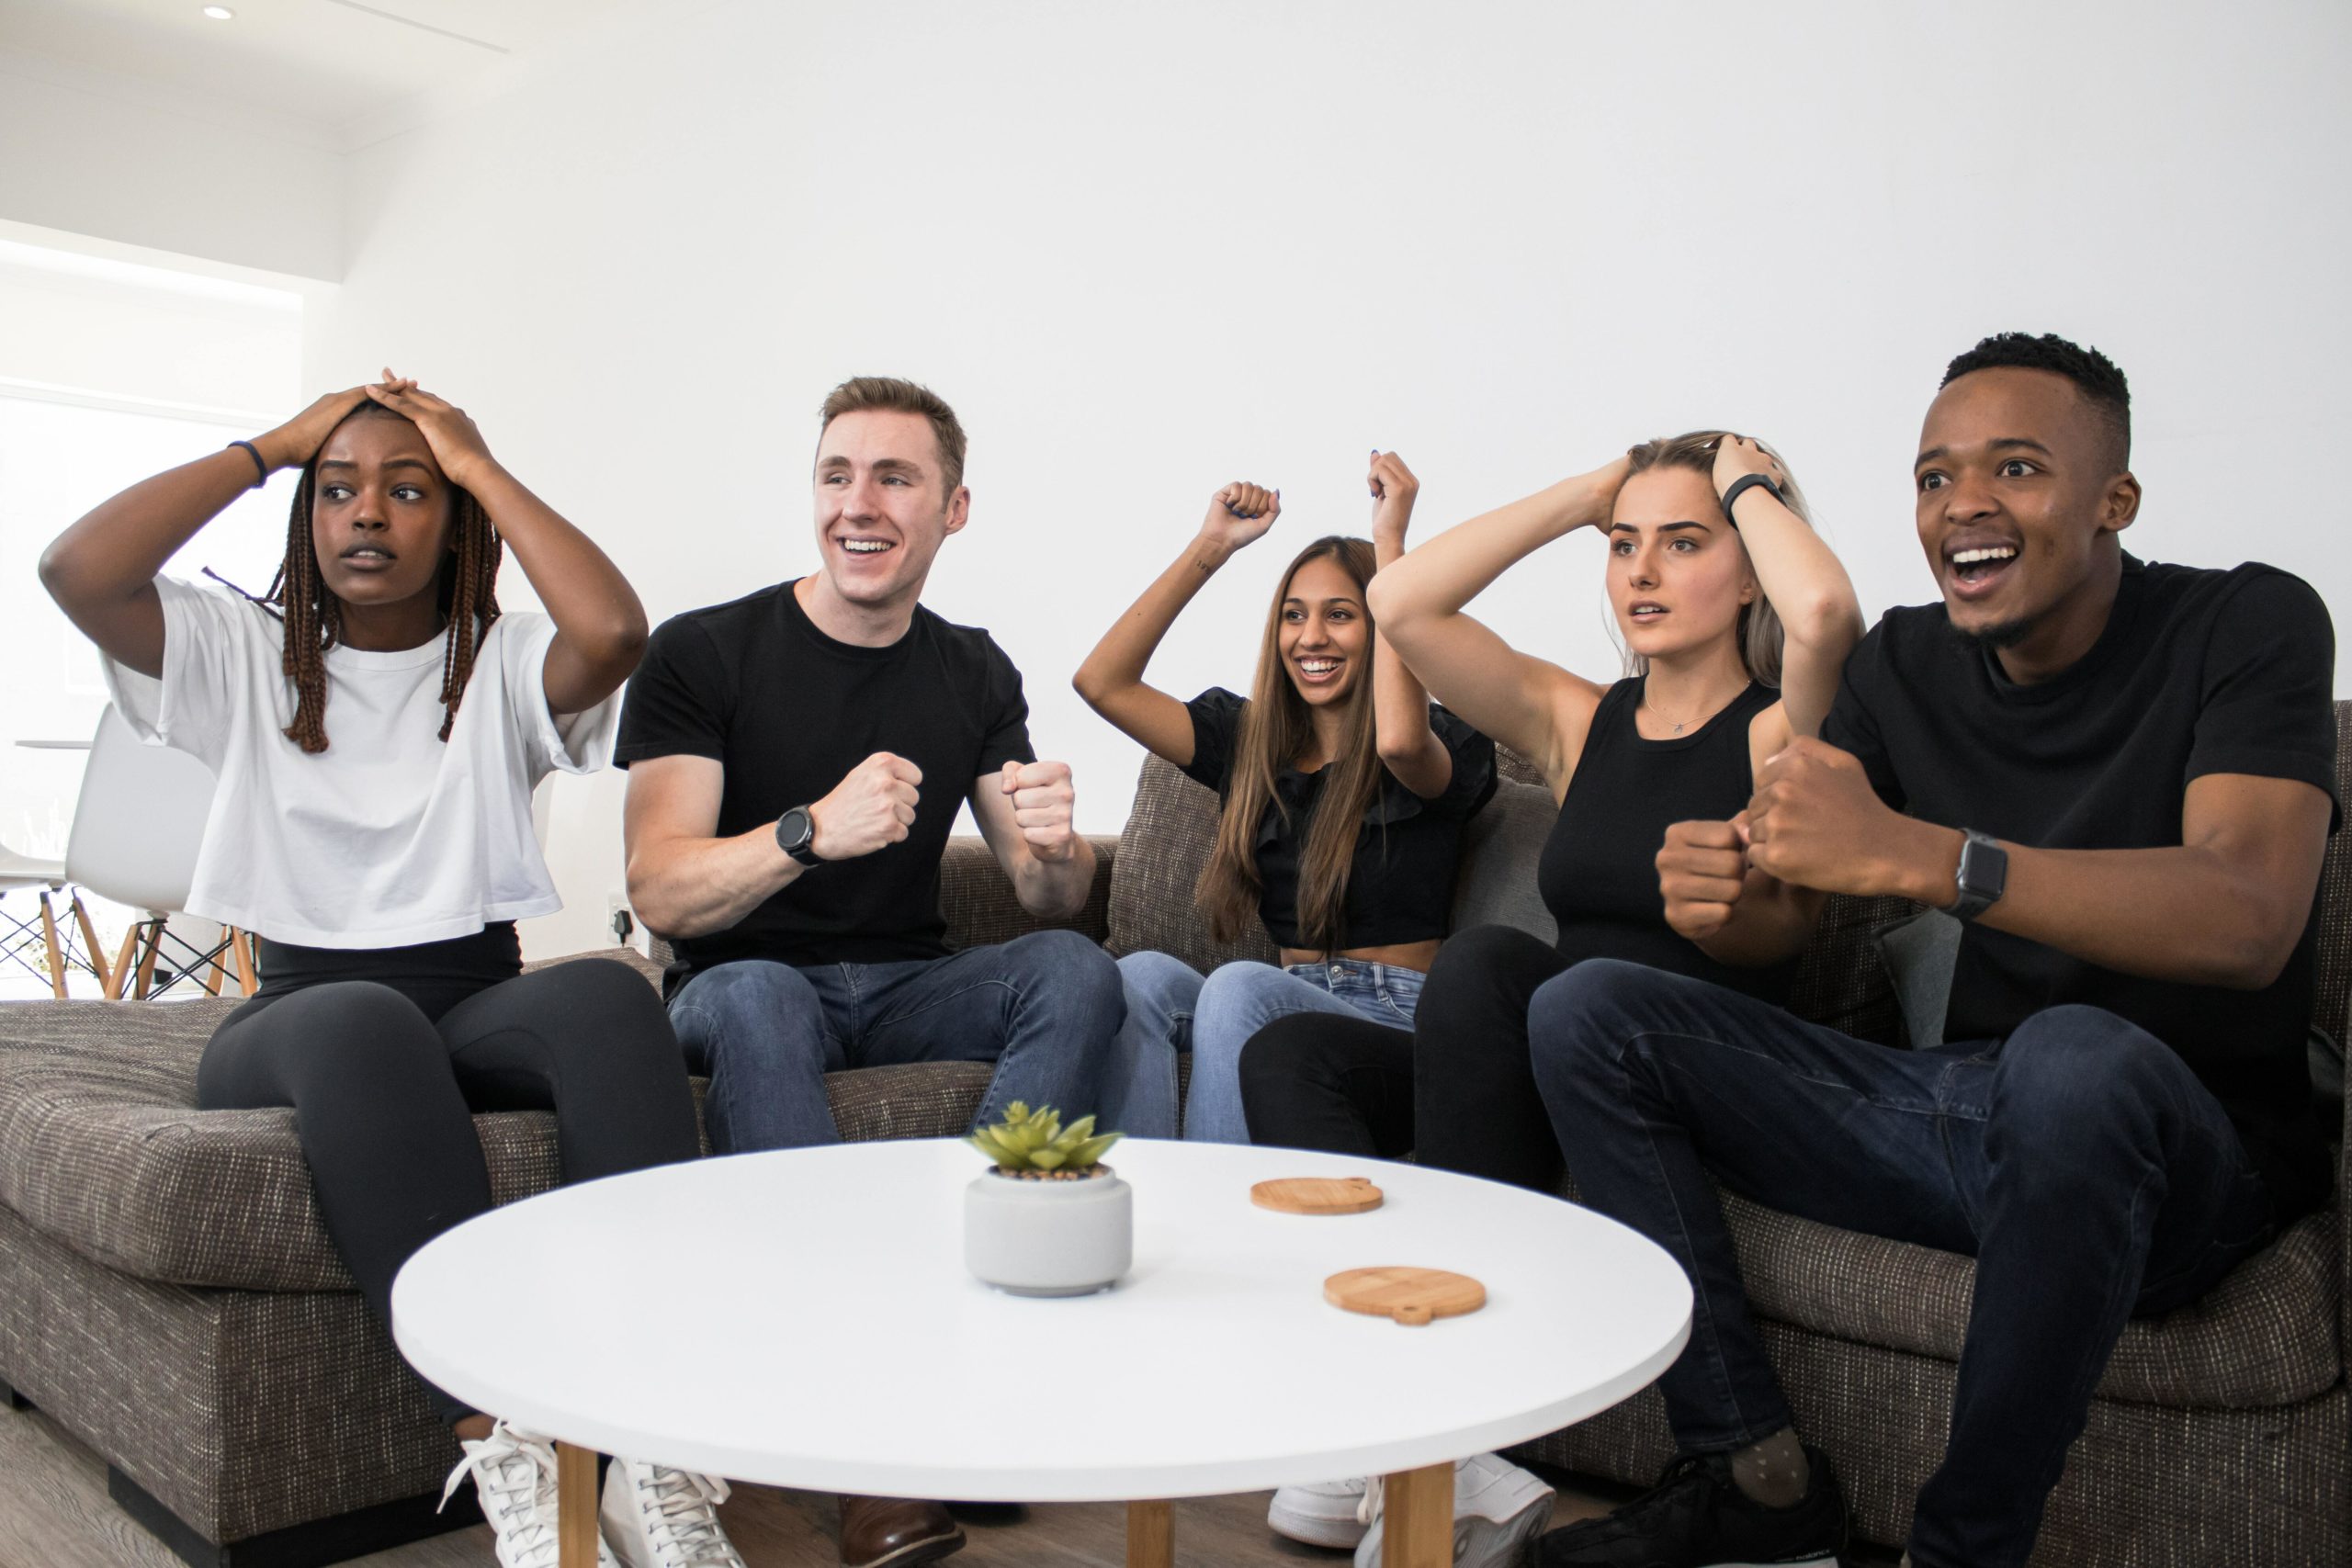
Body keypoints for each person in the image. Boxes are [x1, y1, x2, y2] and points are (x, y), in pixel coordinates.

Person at [1526, 333, 2338, 1568]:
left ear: (2115, 498)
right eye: (1933, 476)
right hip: (1962, 1109)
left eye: (2016, 468)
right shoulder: (1906, 661)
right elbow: (1790, 907)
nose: (1964, 503)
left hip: (2182, 1146)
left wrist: (1936, 858)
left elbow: (2247, 911)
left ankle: (1962, 1547)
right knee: (1589, 1006)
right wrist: (1723, 896)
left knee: (2072, 1060)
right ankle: (1749, 1466)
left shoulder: (2249, 621)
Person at [39, 377, 742, 1568]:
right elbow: (78, 571)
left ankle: (642, 1441)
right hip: (299, 1016)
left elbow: (616, 632)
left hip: (472, 994)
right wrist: (270, 447)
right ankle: (503, 1435)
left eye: (409, 491)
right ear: (308, 516)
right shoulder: (239, 651)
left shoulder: (506, 664)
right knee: (362, 1016)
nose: (370, 512)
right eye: (341, 490)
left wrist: (479, 463)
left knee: (612, 989)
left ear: (454, 523)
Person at [616, 375, 1121, 1568]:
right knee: (759, 991)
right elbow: (657, 884)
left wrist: (1053, 848)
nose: (860, 502)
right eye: (838, 473)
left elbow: (1046, 896)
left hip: (902, 981)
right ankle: (851, 1431)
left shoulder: (972, 669)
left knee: (1079, 968)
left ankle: (979, 1281)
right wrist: (805, 831)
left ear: (952, 508)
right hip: (738, 978)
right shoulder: (705, 649)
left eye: (895, 477)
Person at [1240, 432, 1861, 1189]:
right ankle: (1354, 1283)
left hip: (1699, 1069)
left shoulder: (1780, 730)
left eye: (1685, 543)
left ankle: (1462, 1261)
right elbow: (1398, 601)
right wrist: (1586, 496)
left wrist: (1745, 488)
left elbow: (1824, 614)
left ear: (1750, 578)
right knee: (1291, 1055)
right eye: (1625, 545)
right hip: (1556, 1054)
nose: (1644, 571)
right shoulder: (1581, 722)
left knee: (1484, 961)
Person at [1073, 451, 1499, 1145]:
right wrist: (1210, 547)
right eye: (1294, 617)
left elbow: (1398, 743)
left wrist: (1391, 548)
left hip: (1395, 1019)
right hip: (1284, 995)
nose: (1311, 638)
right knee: (1139, 976)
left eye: (1341, 615)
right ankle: (1139, 1208)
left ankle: (1228, 1229)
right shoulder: (1248, 741)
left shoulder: (1435, 739)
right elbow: (1103, 682)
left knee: (1238, 986)